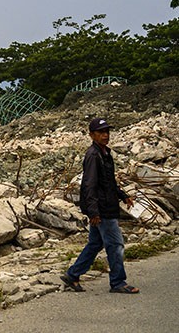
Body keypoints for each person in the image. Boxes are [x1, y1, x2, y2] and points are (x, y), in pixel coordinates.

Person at [60, 118, 140, 294]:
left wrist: (123, 195)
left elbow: (108, 182)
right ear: (91, 135)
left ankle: (72, 275)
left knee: (95, 244)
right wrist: (93, 212)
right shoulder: (93, 155)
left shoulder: (105, 153)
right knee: (116, 245)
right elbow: (89, 185)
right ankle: (118, 282)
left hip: (107, 205)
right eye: (101, 132)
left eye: (107, 132)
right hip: (102, 210)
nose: (105, 135)